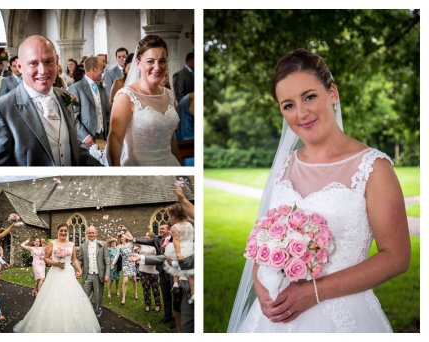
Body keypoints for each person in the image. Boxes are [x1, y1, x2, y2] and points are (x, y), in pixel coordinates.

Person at [228, 49, 411, 333]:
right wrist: (259, 280)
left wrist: (313, 292)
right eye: (288, 105)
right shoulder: (284, 166)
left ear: (333, 93)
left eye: (309, 96)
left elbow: (397, 257)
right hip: (272, 319)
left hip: (341, 318)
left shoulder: (373, 168)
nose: (301, 113)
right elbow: (263, 238)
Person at [0, 35, 91, 166]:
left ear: (57, 62)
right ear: (19, 66)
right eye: (33, 63)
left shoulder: (64, 97)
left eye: (49, 61)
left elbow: (72, 148)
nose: (43, 71)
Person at [107, 35, 181, 166]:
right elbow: (115, 139)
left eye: (162, 61)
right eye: (150, 61)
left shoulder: (169, 95)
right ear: (138, 64)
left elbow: (171, 139)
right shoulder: (126, 96)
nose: (157, 67)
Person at [13, 223, 100, 332]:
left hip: (68, 272)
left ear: (67, 232)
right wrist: (56, 263)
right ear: (58, 231)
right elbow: (46, 258)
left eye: (65, 231)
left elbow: (74, 259)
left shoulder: (71, 244)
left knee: (71, 297)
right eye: (61, 231)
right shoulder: (52, 243)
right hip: (55, 272)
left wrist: (80, 270)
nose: (63, 232)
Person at [68, 56, 110, 150]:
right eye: (101, 68)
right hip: (86, 139)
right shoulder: (76, 88)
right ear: (94, 69)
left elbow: (107, 110)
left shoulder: (101, 86)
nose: (103, 71)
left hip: (103, 135)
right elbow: (72, 117)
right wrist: (85, 136)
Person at [163, 203, 195, 304]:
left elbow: (176, 240)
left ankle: (176, 283)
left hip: (180, 249)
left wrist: (178, 253)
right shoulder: (190, 224)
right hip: (190, 248)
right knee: (191, 274)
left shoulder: (174, 227)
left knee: (174, 267)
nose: (168, 219)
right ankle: (194, 293)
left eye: (169, 216)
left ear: (174, 216)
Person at [77, 225, 110, 319]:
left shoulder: (103, 245)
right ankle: (85, 313)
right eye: (89, 233)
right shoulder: (83, 246)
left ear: (96, 233)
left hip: (99, 275)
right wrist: (78, 270)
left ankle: (98, 314)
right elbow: (80, 260)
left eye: (93, 232)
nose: (91, 234)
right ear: (86, 234)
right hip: (87, 275)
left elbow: (107, 261)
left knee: (98, 296)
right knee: (84, 295)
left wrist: (107, 274)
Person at [137, 231, 162, 313]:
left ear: (152, 237)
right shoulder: (142, 245)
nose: (146, 236)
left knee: (155, 289)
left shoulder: (156, 246)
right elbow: (133, 241)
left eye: (148, 235)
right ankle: (147, 305)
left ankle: (158, 305)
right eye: (145, 235)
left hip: (153, 271)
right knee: (146, 289)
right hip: (143, 270)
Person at [117, 227, 138, 305]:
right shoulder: (119, 247)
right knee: (125, 281)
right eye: (120, 237)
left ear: (125, 237)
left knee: (134, 280)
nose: (122, 237)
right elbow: (117, 255)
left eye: (123, 236)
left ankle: (135, 293)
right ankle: (123, 298)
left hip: (132, 263)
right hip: (125, 263)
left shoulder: (130, 244)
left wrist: (126, 230)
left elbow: (133, 239)